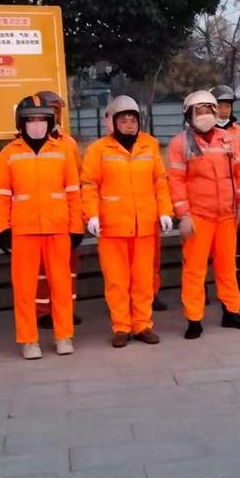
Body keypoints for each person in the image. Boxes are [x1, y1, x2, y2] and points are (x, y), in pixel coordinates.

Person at [0, 94, 83, 359]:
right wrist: (2, 227)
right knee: (24, 290)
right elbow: (1, 195)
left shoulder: (62, 150)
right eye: (30, 120)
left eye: (42, 119)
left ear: (50, 122)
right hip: (24, 230)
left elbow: (73, 191)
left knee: (61, 287)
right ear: (21, 123)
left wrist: (76, 226)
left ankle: (64, 336)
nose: (36, 125)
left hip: (58, 228)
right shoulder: (9, 154)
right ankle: (28, 340)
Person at [82, 96, 174, 347]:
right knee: (117, 281)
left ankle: (143, 325)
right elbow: (89, 185)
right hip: (112, 227)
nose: (129, 124)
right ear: (113, 123)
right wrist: (91, 215)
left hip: (144, 226)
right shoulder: (98, 150)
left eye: (133, 120)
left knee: (143, 280)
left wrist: (165, 211)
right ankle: (121, 326)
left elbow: (160, 181)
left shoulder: (149, 146)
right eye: (123, 120)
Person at [168, 90, 240, 339]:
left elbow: (239, 173)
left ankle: (231, 312)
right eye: (200, 111)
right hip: (198, 217)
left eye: (209, 110)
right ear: (189, 114)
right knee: (194, 270)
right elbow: (175, 181)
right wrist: (183, 215)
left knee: (227, 267)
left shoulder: (227, 139)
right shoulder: (180, 143)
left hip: (226, 215)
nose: (205, 115)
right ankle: (194, 319)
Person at [34, 89, 82, 330]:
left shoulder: (68, 143)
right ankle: (42, 312)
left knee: (68, 269)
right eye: (51, 110)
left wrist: (78, 219)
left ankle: (66, 310)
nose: (55, 115)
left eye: (57, 111)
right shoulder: (26, 143)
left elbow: (77, 181)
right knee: (41, 270)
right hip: (38, 218)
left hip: (64, 218)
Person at [210, 85, 240, 159]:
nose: (224, 111)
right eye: (219, 107)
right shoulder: (206, 132)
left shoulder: (239, 131)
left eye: (227, 106)